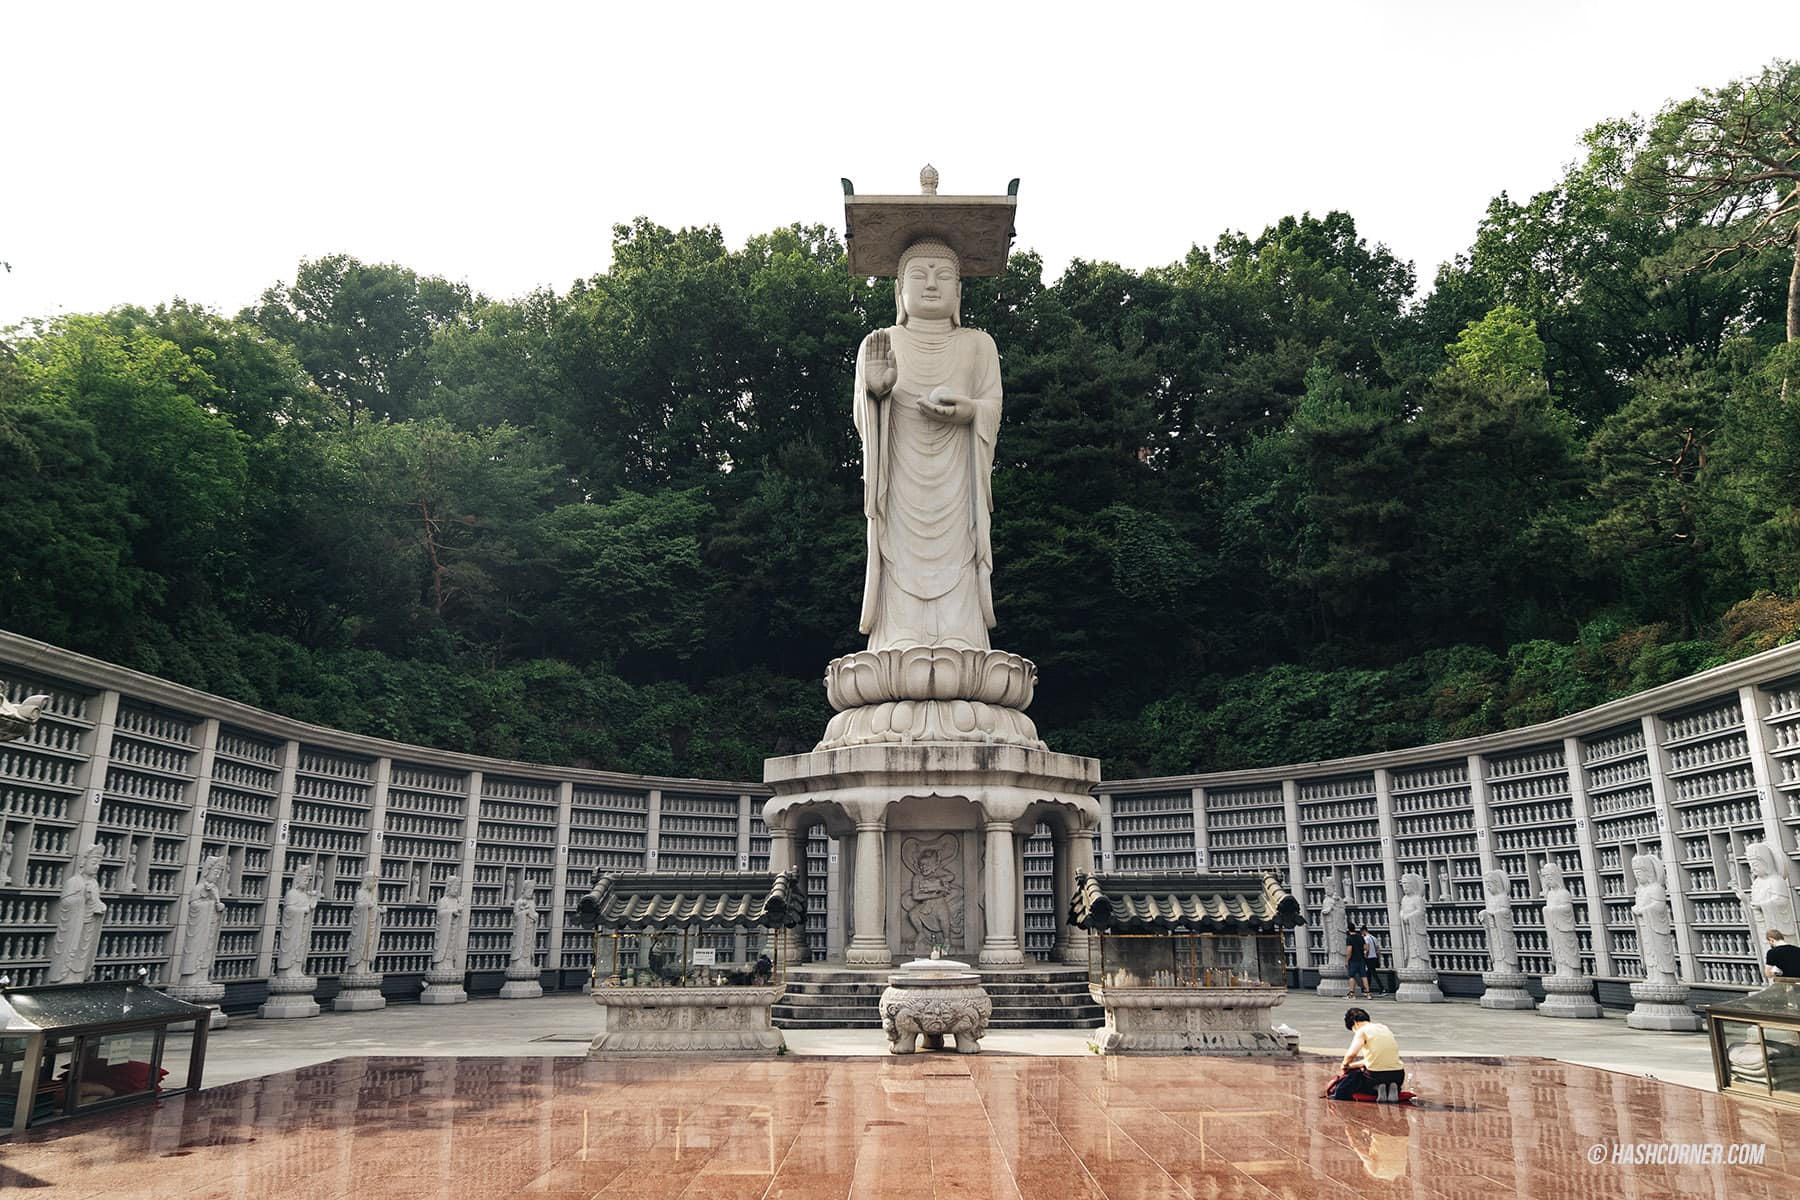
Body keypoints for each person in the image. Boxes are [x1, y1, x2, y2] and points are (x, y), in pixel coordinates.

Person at [853, 238, 1003, 651]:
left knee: (960, 550)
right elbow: (863, 422)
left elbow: (993, 405)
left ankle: (963, 638)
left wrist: (970, 410)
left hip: (958, 480)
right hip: (900, 480)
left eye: (944, 276)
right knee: (897, 550)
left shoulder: (979, 343)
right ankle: (897, 640)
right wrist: (877, 393)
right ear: (899, 290)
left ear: (959, 291)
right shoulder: (879, 342)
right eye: (919, 276)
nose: (932, 285)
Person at [1332, 1007, 1406, 1102]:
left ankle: (1376, 1088)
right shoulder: (1384, 1028)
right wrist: (1351, 1065)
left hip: (1375, 1076)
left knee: (1355, 1079)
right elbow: (1375, 1058)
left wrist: (1344, 1065)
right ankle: (1391, 1087)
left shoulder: (1362, 1031)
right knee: (1384, 1075)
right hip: (1398, 1074)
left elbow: (1351, 1054)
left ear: (1355, 1023)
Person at [1345, 923, 1373, 997]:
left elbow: (1349, 950)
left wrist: (1347, 960)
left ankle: (1351, 993)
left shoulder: (1349, 938)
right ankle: (1368, 992)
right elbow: (1366, 947)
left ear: (1348, 929)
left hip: (1353, 960)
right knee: (1364, 976)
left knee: (1351, 976)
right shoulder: (1360, 937)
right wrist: (1365, 954)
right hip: (1361, 959)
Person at [1363, 925, 1387, 996]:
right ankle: (1367, 988)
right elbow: (1378, 949)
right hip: (1374, 957)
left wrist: (1365, 956)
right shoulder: (1374, 938)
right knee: (1369, 973)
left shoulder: (1366, 938)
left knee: (1373, 973)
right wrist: (1379, 959)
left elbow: (1367, 948)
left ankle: (1382, 988)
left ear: (1364, 931)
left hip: (1369, 958)